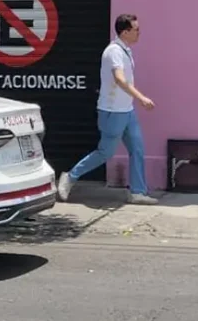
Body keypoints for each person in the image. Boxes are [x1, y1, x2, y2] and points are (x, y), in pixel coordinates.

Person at [57, 13, 157, 205]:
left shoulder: (126, 50)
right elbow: (119, 79)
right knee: (105, 152)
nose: (139, 33)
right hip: (112, 111)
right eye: (136, 30)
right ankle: (70, 177)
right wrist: (141, 97)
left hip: (127, 110)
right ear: (125, 32)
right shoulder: (114, 52)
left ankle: (138, 192)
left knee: (137, 149)